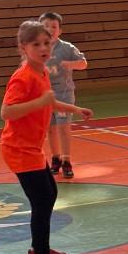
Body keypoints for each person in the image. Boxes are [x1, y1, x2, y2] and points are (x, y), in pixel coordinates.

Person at [1, 21, 93, 254]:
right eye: (36, 44)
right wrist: (39, 102)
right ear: (23, 48)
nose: (43, 48)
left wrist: (75, 109)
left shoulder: (40, 71)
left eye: (46, 43)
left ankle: (38, 249)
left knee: (50, 193)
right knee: (41, 201)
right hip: (19, 149)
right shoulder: (23, 77)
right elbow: (7, 112)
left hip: (32, 148)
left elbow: (49, 102)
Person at [38, 12, 88, 179]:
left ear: (60, 30)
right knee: (50, 129)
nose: (50, 29)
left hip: (63, 95)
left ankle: (66, 160)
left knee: (63, 128)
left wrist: (71, 64)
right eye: (46, 26)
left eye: (54, 26)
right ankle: (56, 158)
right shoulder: (37, 48)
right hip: (44, 96)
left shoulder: (67, 48)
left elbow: (83, 63)